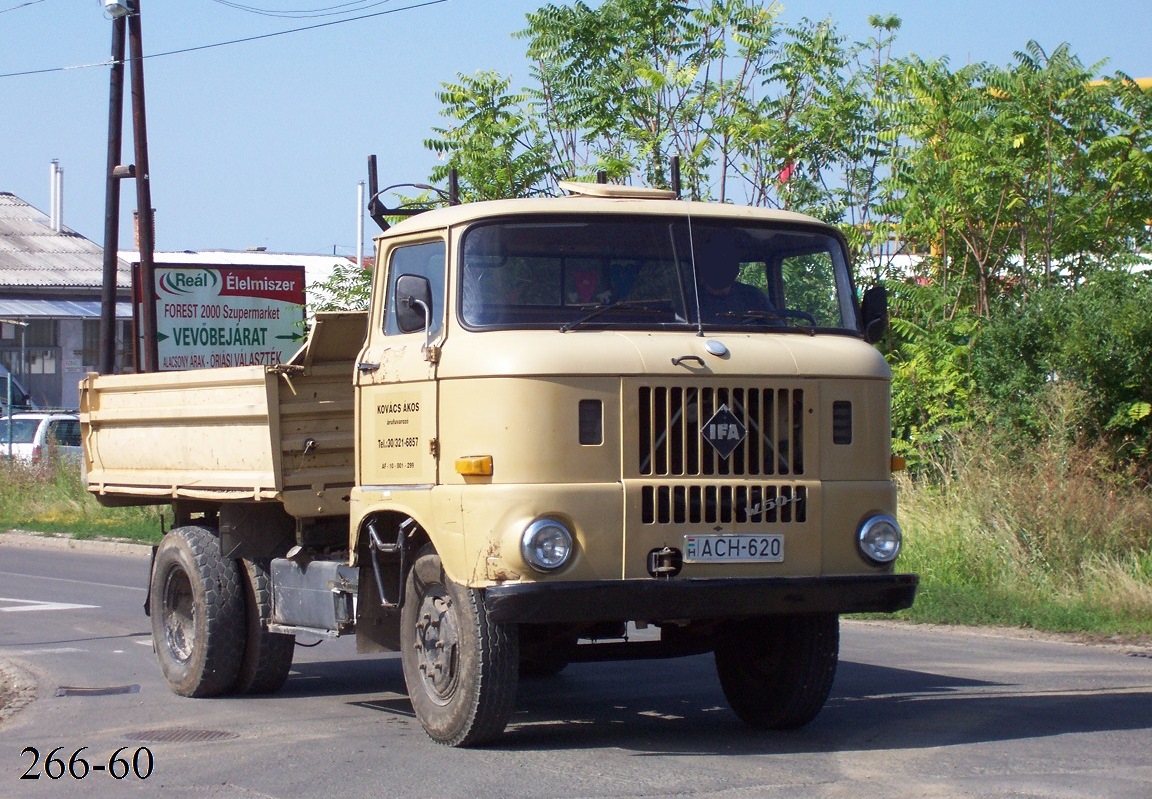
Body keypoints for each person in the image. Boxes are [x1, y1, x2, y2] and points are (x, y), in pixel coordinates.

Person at [696, 238, 773, 322]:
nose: (721, 267)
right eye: (716, 261)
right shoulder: (691, 302)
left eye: (726, 262)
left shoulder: (753, 296)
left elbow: (777, 327)